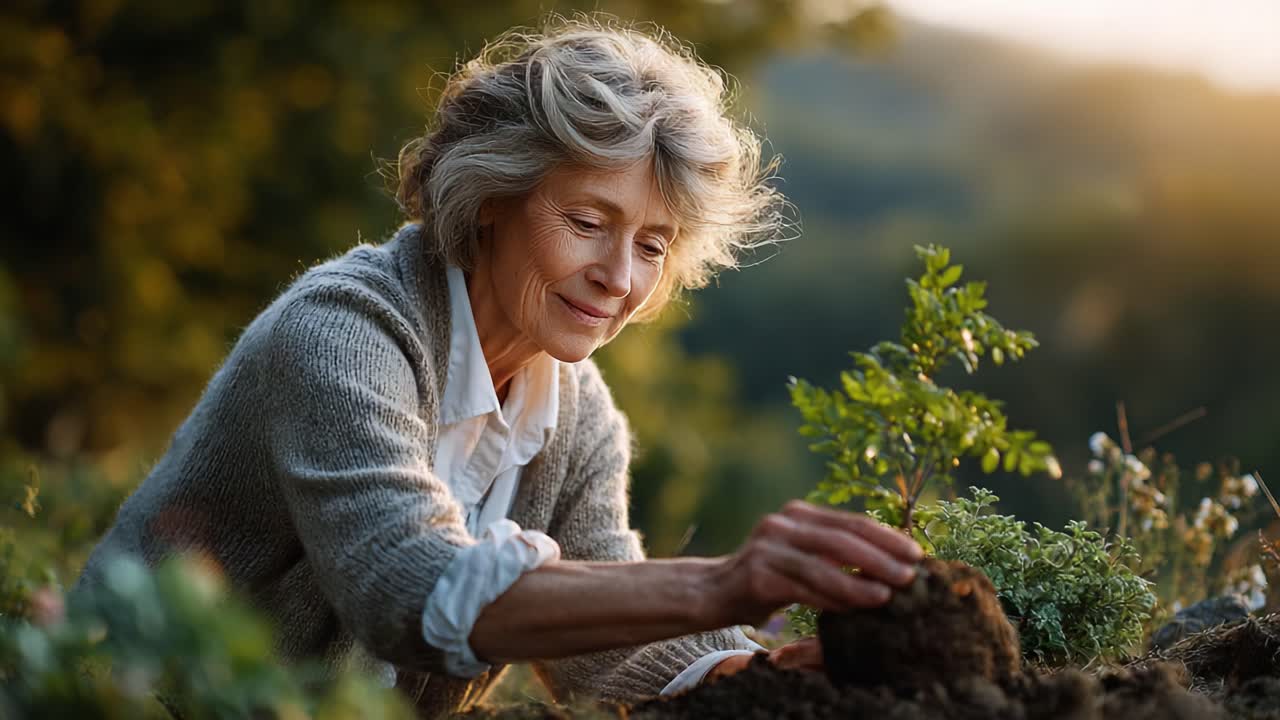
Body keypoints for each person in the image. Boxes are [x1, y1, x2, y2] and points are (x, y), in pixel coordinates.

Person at [74, 15, 923, 718]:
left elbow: (612, 645)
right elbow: (403, 587)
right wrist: (718, 584)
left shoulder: (579, 415)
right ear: (490, 201)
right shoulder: (342, 330)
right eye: (587, 221)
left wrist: (768, 674)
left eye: (653, 245)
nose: (620, 279)